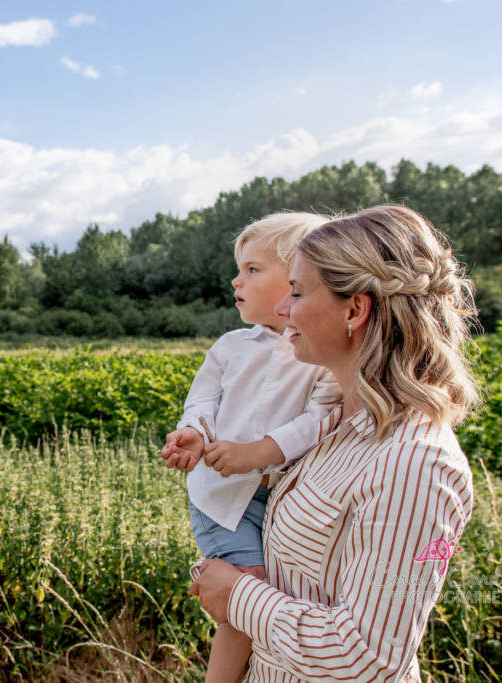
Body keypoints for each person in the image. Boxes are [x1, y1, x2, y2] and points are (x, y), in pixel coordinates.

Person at [190, 205, 480, 682]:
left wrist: (237, 596)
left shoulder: (416, 462)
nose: (282, 309)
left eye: (298, 292)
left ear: (354, 309)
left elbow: (368, 660)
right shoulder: (335, 424)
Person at [161, 212, 340, 682]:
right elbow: (202, 399)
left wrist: (261, 451)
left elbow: (321, 418)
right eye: (241, 270)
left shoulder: (319, 356)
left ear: (298, 279)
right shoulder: (231, 345)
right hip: (222, 500)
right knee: (247, 593)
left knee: (281, 596)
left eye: (253, 270)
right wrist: (195, 434)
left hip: (280, 497)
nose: (236, 280)